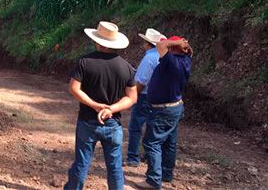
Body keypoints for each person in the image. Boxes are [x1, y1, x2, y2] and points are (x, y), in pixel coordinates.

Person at [65, 21, 138, 190]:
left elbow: (73, 89)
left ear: (97, 41)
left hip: (87, 121)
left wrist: (95, 105)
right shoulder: (126, 67)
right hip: (113, 123)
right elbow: (132, 97)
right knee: (115, 168)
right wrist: (110, 109)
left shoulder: (85, 62)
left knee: (82, 164)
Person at [137, 37, 192, 189]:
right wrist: (183, 46)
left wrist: (177, 44)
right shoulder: (185, 60)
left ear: (174, 48)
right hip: (174, 107)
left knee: (152, 142)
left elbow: (161, 45)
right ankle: (166, 174)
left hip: (163, 109)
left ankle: (153, 180)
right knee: (169, 143)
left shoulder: (172, 61)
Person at [126, 29, 167, 167]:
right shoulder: (163, 57)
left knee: (135, 127)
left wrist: (132, 96)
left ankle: (133, 158)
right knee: (152, 129)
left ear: (147, 43)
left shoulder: (149, 58)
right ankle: (149, 156)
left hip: (145, 97)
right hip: (160, 98)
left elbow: (142, 82)